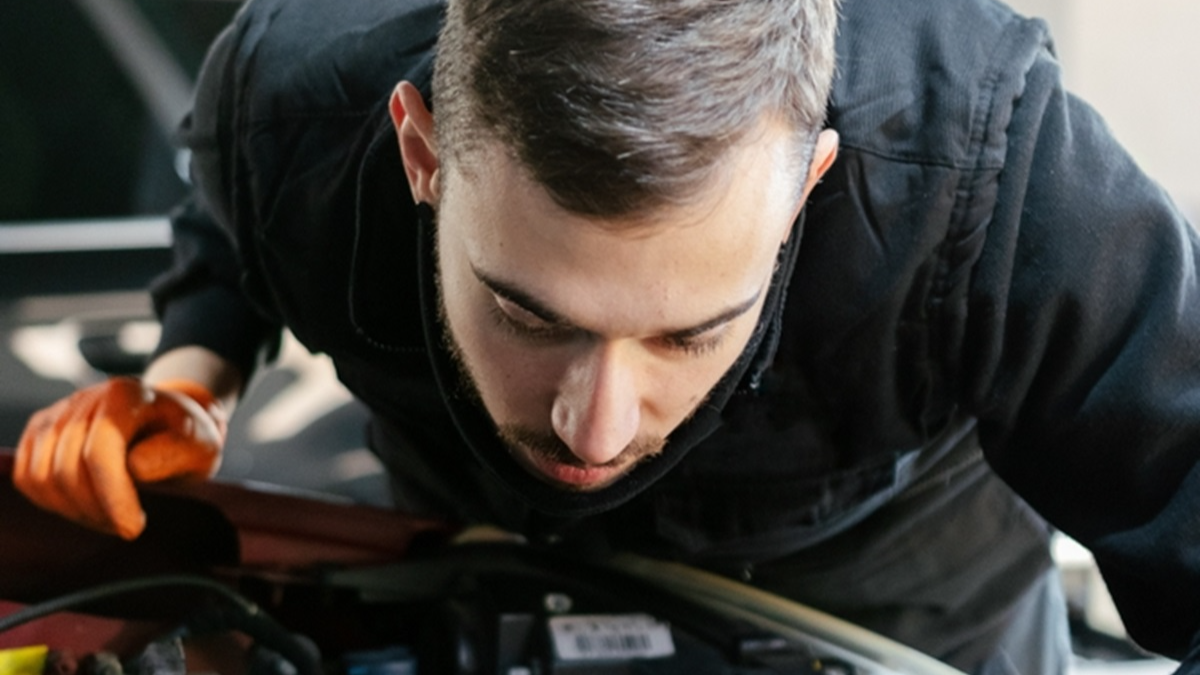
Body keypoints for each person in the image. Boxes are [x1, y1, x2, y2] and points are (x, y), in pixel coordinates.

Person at [13, 0, 1200, 672]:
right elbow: (235, 217)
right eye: (529, 314)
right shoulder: (292, 97)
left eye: (689, 334)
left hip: (895, 604)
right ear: (420, 153)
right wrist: (191, 375)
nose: (594, 426)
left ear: (807, 190)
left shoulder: (993, 172)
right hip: (472, 558)